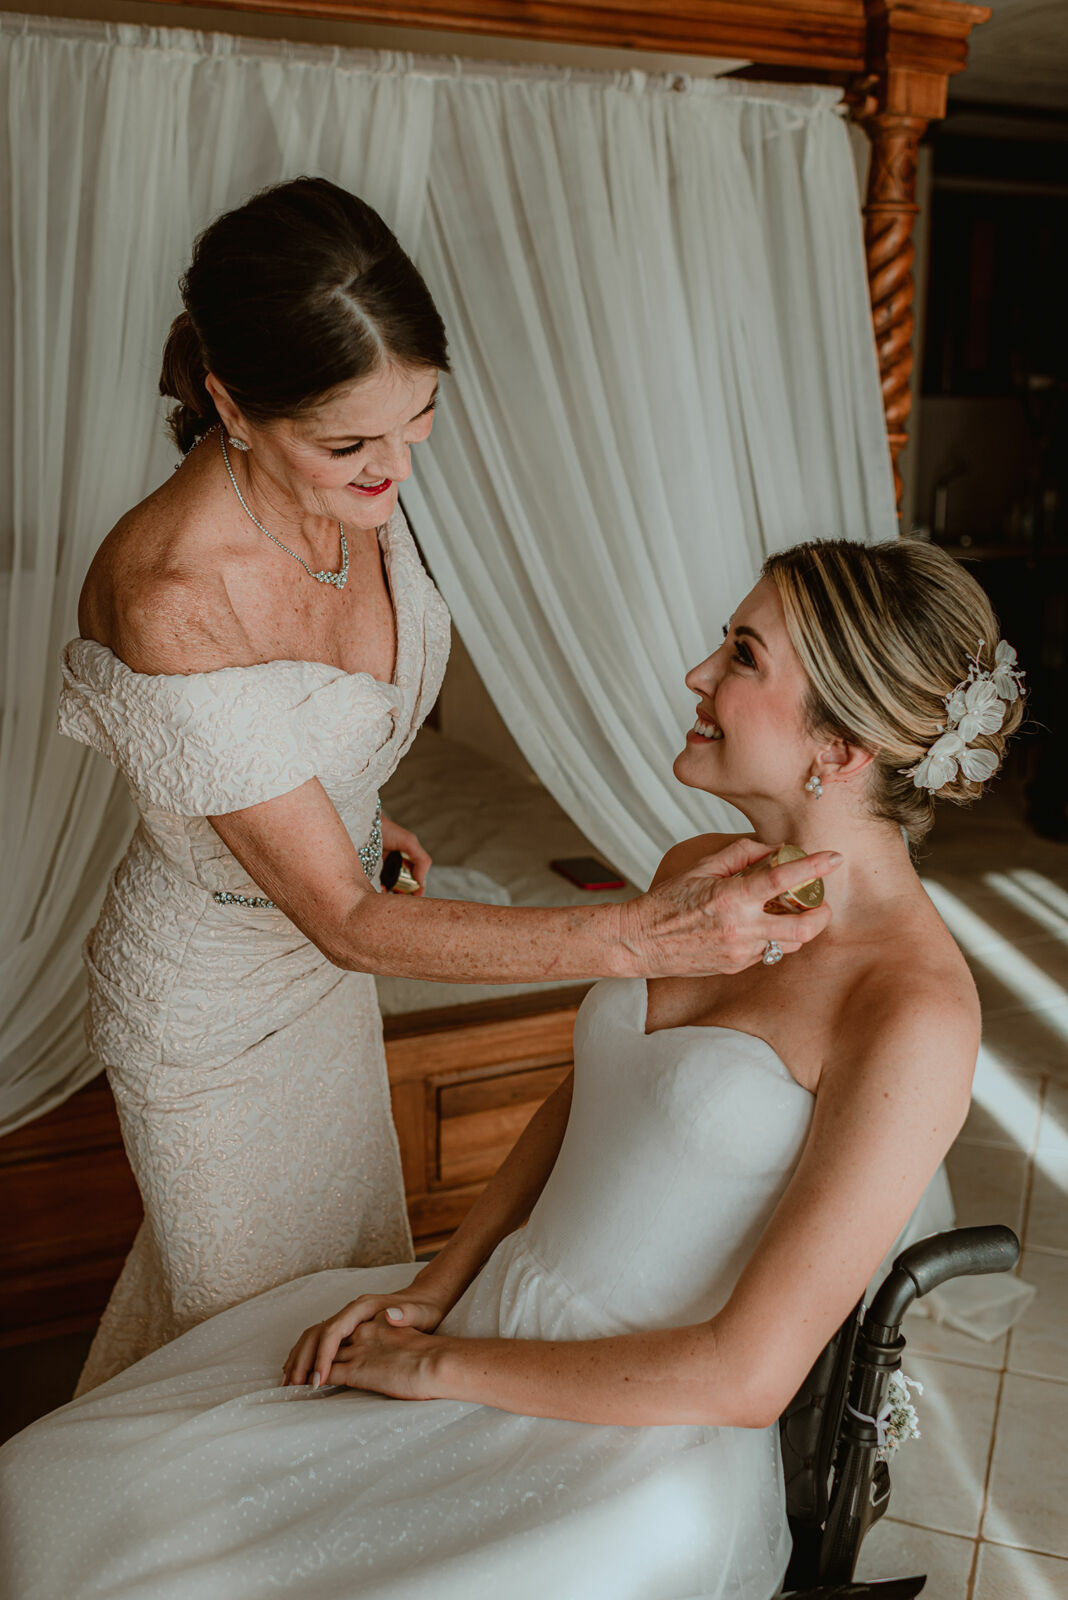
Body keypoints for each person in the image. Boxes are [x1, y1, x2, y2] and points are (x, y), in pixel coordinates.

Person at [2, 539, 1024, 1600]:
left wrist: (438, 1369)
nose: (698, 675)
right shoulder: (693, 876)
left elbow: (746, 1376)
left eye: (743, 655)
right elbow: (587, 1108)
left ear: (843, 744)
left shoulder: (911, 1011)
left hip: (628, 1444)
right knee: (55, 1488)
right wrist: (431, 1292)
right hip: (492, 1312)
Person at [61, 176, 837, 1396]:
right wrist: (642, 932)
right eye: (349, 443)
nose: (395, 467)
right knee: (249, 1342)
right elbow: (350, 921)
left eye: (419, 416)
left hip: (324, 969)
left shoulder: (360, 488)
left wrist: (341, 809)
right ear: (232, 405)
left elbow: (307, 749)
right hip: (213, 1006)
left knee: (335, 1281)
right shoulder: (172, 596)